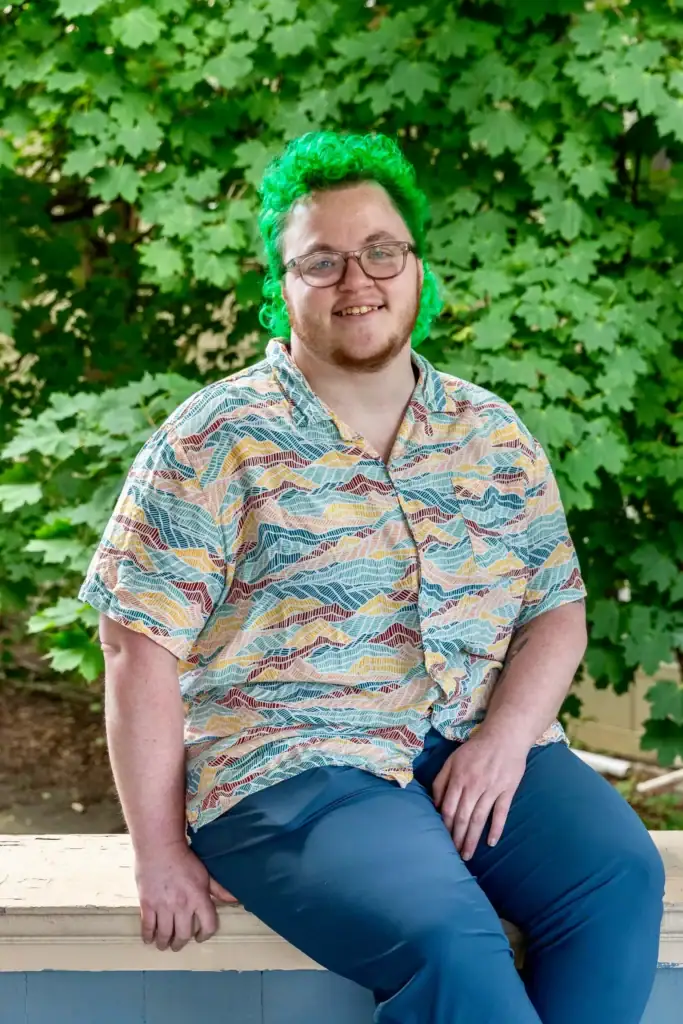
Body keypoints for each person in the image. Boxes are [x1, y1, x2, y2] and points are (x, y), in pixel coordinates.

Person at [79, 131, 664, 1024]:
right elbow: (134, 645)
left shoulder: (490, 434)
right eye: (321, 262)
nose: (358, 280)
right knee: (449, 941)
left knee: (619, 879)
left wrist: (504, 741)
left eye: (380, 252)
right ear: (281, 290)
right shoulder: (211, 439)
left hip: (472, 739)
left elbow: (556, 609)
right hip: (291, 767)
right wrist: (157, 851)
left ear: (417, 269)